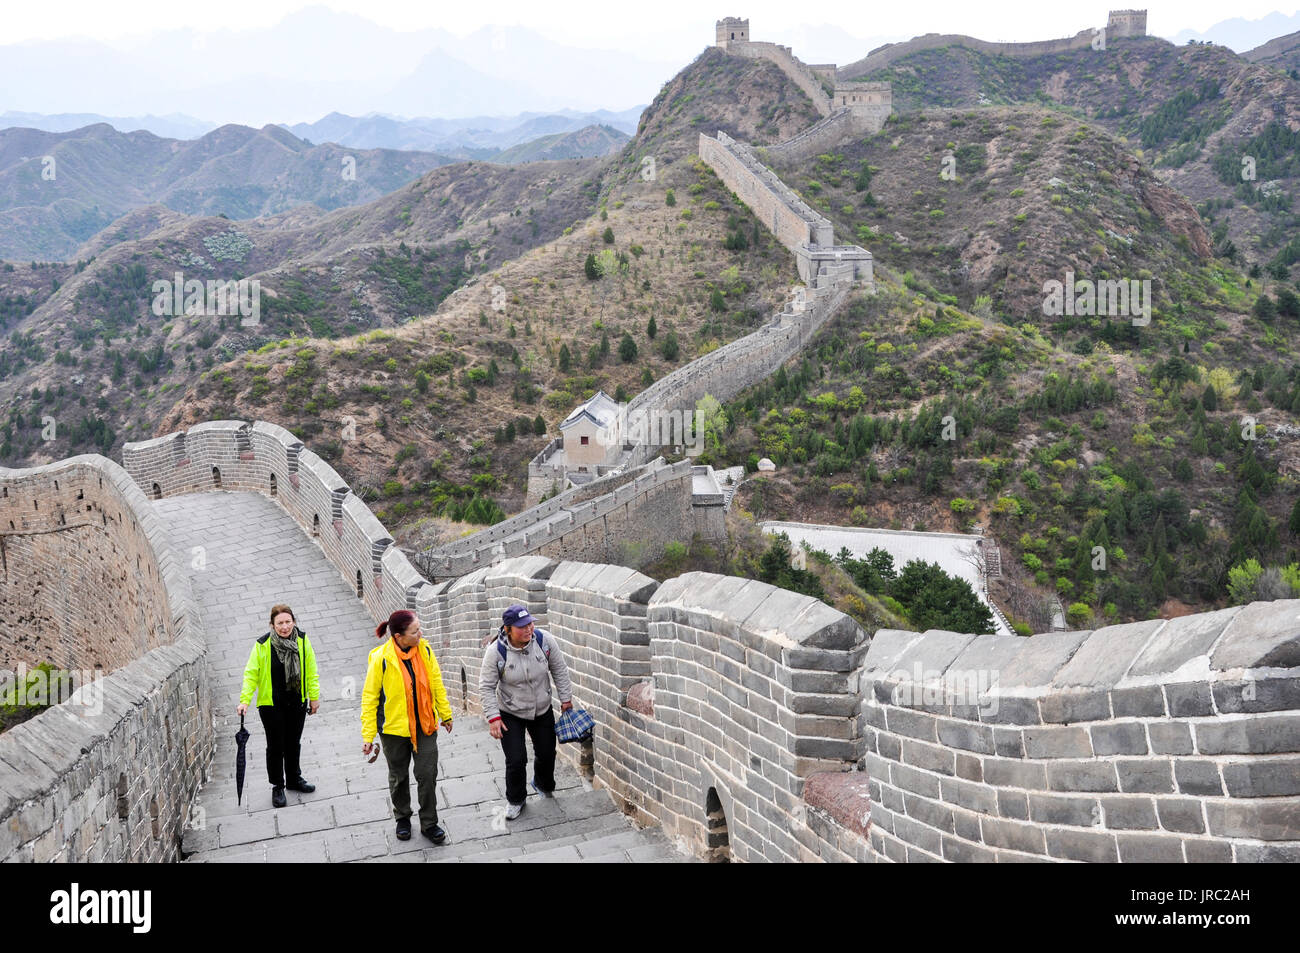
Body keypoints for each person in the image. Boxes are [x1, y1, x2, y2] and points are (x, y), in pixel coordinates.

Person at [362, 610, 453, 844]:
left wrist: (445, 713)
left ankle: (429, 823)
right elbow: (370, 698)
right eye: (415, 632)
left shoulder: (426, 651)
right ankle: (402, 817)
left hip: (425, 724)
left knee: (427, 773)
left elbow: (436, 684)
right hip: (394, 730)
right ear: (399, 636)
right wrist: (368, 735)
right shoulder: (381, 658)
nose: (420, 634)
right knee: (399, 776)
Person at [481, 604, 573, 820]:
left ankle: (542, 784)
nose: (528, 629)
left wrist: (566, 699)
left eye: (530, 624)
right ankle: (515, 800)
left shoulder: (544, 640)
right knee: (516, 759)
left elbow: (559, 669)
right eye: (522, 627)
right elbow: (486, 686)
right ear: (508, 629)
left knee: (547, 753)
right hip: (509, 712)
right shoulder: (496, 652)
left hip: (541, 707)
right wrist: (493, 717)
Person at [238, 604, 321, 808]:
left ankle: (294, 779)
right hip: (272, 705)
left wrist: (314, 696)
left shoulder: (302, 640)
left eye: (288, 622)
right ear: (272, 625)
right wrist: (245, 700)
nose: (284, 627)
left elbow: (311, 669)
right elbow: (251, 674)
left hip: (297, 702)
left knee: (294, 742)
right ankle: (277, 786)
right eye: (280, 623)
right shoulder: (263, 644)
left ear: (293, 621)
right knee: (276, 747)